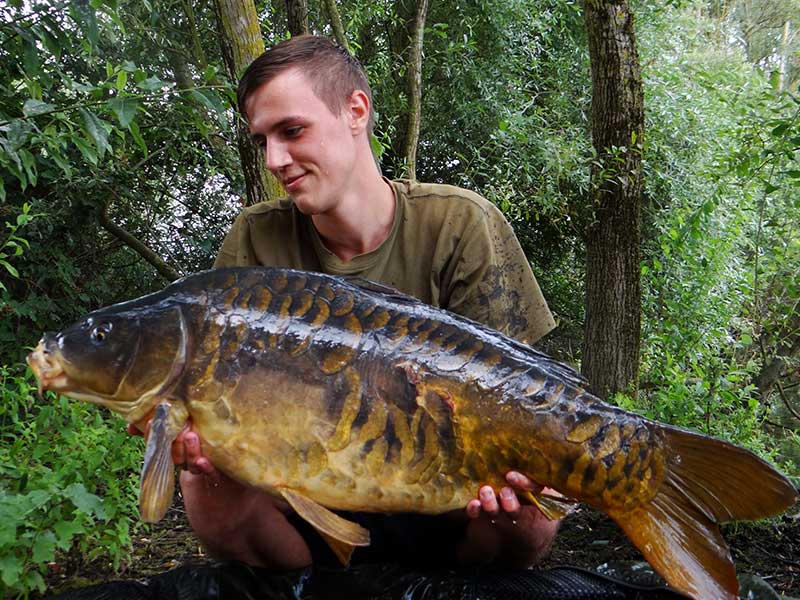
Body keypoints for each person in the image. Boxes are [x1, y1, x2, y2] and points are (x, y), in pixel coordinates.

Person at [135, 34, 560, 572]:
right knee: (204, 482)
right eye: (262, 141)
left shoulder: (459, 223)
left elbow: (519, 391)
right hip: (306, 498)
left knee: (533, 506)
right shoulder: (257, 238)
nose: (275, 160)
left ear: (355, 111)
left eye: (292, 131)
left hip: (446, 495)